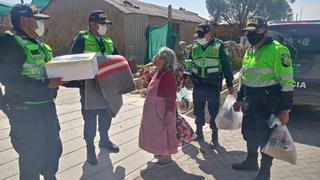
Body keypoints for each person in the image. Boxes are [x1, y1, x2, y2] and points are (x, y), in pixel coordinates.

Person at [0, 4, 63, 180]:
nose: (39, 23)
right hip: (25, 111)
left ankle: (50, 176)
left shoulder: (38, 42)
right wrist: (47, 85)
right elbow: (10, 79)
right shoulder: (8, 42)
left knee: (53, 149)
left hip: (46, 107)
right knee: (32, 157)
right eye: (36, 19)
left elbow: (46, 70)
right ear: (24, 20)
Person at [232, 17, 294, 180]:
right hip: (249, 102)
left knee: (265, 139)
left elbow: (287, 82)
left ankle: (265, 173)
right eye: (248, 32)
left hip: (267, 104)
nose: (251, 35)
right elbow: (243, 78)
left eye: (255, 31)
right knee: (249, 134)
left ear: (265, 31)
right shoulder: (249, 50)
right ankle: (251, 162)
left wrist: (285, 109)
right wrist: (239, 98)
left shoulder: (278, 50)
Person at [65, 10, 120, 165]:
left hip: (106, 86)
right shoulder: (82, 38)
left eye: (106, 24)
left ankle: (104, 139)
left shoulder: (108, 41)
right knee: (89, 119)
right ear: (92, 23)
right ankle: (90, 147)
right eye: (102, 24)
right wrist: (78, 82)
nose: (105, 27)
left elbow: (118, 59)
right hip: (89, 86)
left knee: (106, 115)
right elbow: (72, 61)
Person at [185, 22, 234, 148]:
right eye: (198, 35)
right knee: (198, 110)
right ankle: (199, 133)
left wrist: (229, 84)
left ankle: (214, 137)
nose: (199, 38)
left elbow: (227, 67)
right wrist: (185, 77)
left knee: (213, 112)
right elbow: (189, 62)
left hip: (213, 84)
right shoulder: (195, 46)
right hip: (198, 83)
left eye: (201, 35)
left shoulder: (219, 46)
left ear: (209, 34)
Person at [139, 47, 178, 167]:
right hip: (154, 111)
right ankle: (160, 155)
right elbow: (157, 86)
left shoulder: (168, 75)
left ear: (164, 60)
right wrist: (147, 77)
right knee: (156, 133)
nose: (156, 57)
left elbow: (171, 97)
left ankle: (166, 158)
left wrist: (168, 114)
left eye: (159, 56)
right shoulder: (159, 72)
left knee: (163, 133)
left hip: (161, 111)